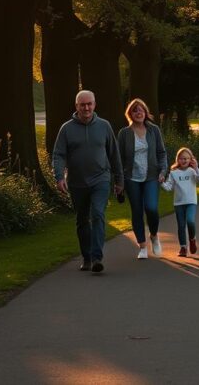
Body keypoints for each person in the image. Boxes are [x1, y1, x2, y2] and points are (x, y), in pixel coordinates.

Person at [52, 90, 124, 274]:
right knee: (82, 219)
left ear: (94, 104)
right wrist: (59, 177)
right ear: (76, 106)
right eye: (82, 104)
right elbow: (58, 155)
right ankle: (86, 257)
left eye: (89, 104)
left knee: (98, 213)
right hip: (76, 182)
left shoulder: (104, 126)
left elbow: (114, 154)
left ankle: (97, 257)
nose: (86, 108)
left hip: (101, 179)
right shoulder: (66, 129)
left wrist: (119, 180)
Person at [117, 98, 168, 260]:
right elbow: (118, 158)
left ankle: (153, 235)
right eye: (135, 110)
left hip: (152, 176)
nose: (138, 113)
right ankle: (142, 246)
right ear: (130, 114)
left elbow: (161, 153)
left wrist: (163, 170)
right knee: (137, 211)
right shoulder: (124, 133)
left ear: (145, 112)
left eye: (141, 110)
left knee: (152, 208)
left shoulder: (154, 130)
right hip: (131, 178)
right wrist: (119, 181)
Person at [162, 147, 199, 258]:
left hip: (191, 202)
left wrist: (196, 168)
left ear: (191, 159)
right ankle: (183, 247)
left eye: (186, 158)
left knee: (190, 221)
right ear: (177, 160)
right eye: (181, 158)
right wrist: (161, 182)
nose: (184, 160)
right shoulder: (173, 173)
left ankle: (192, 239)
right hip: (178, 204)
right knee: (181, 226)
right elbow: (169, 187)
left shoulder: (192, 171)